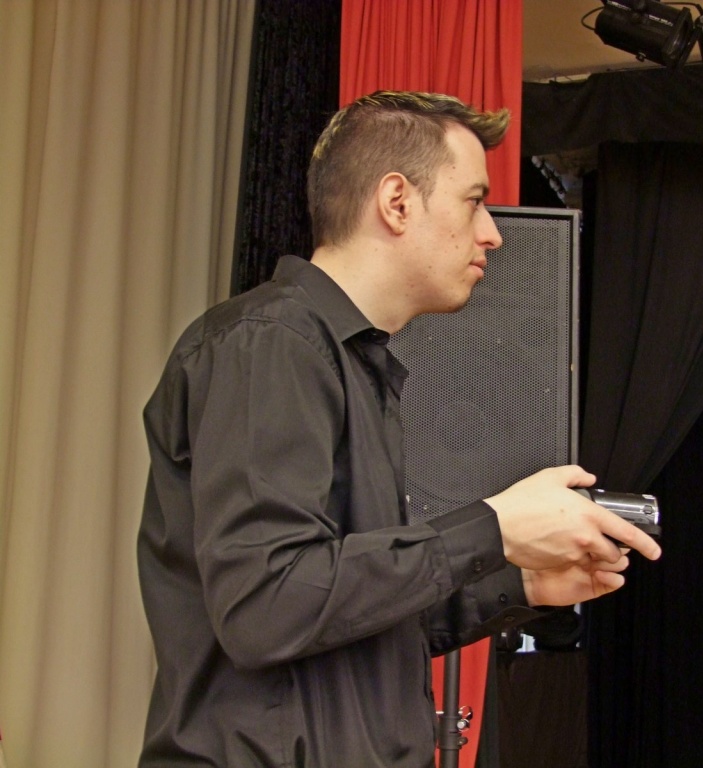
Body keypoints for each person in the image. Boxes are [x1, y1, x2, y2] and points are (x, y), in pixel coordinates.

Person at [136, 90, 661, 767]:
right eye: (474, 201)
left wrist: (521, 586)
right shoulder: (269, 344)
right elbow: (267, 606)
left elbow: (349, 619)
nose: (493, 233)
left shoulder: (354, 366)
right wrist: (494, 527)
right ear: (396, 202)